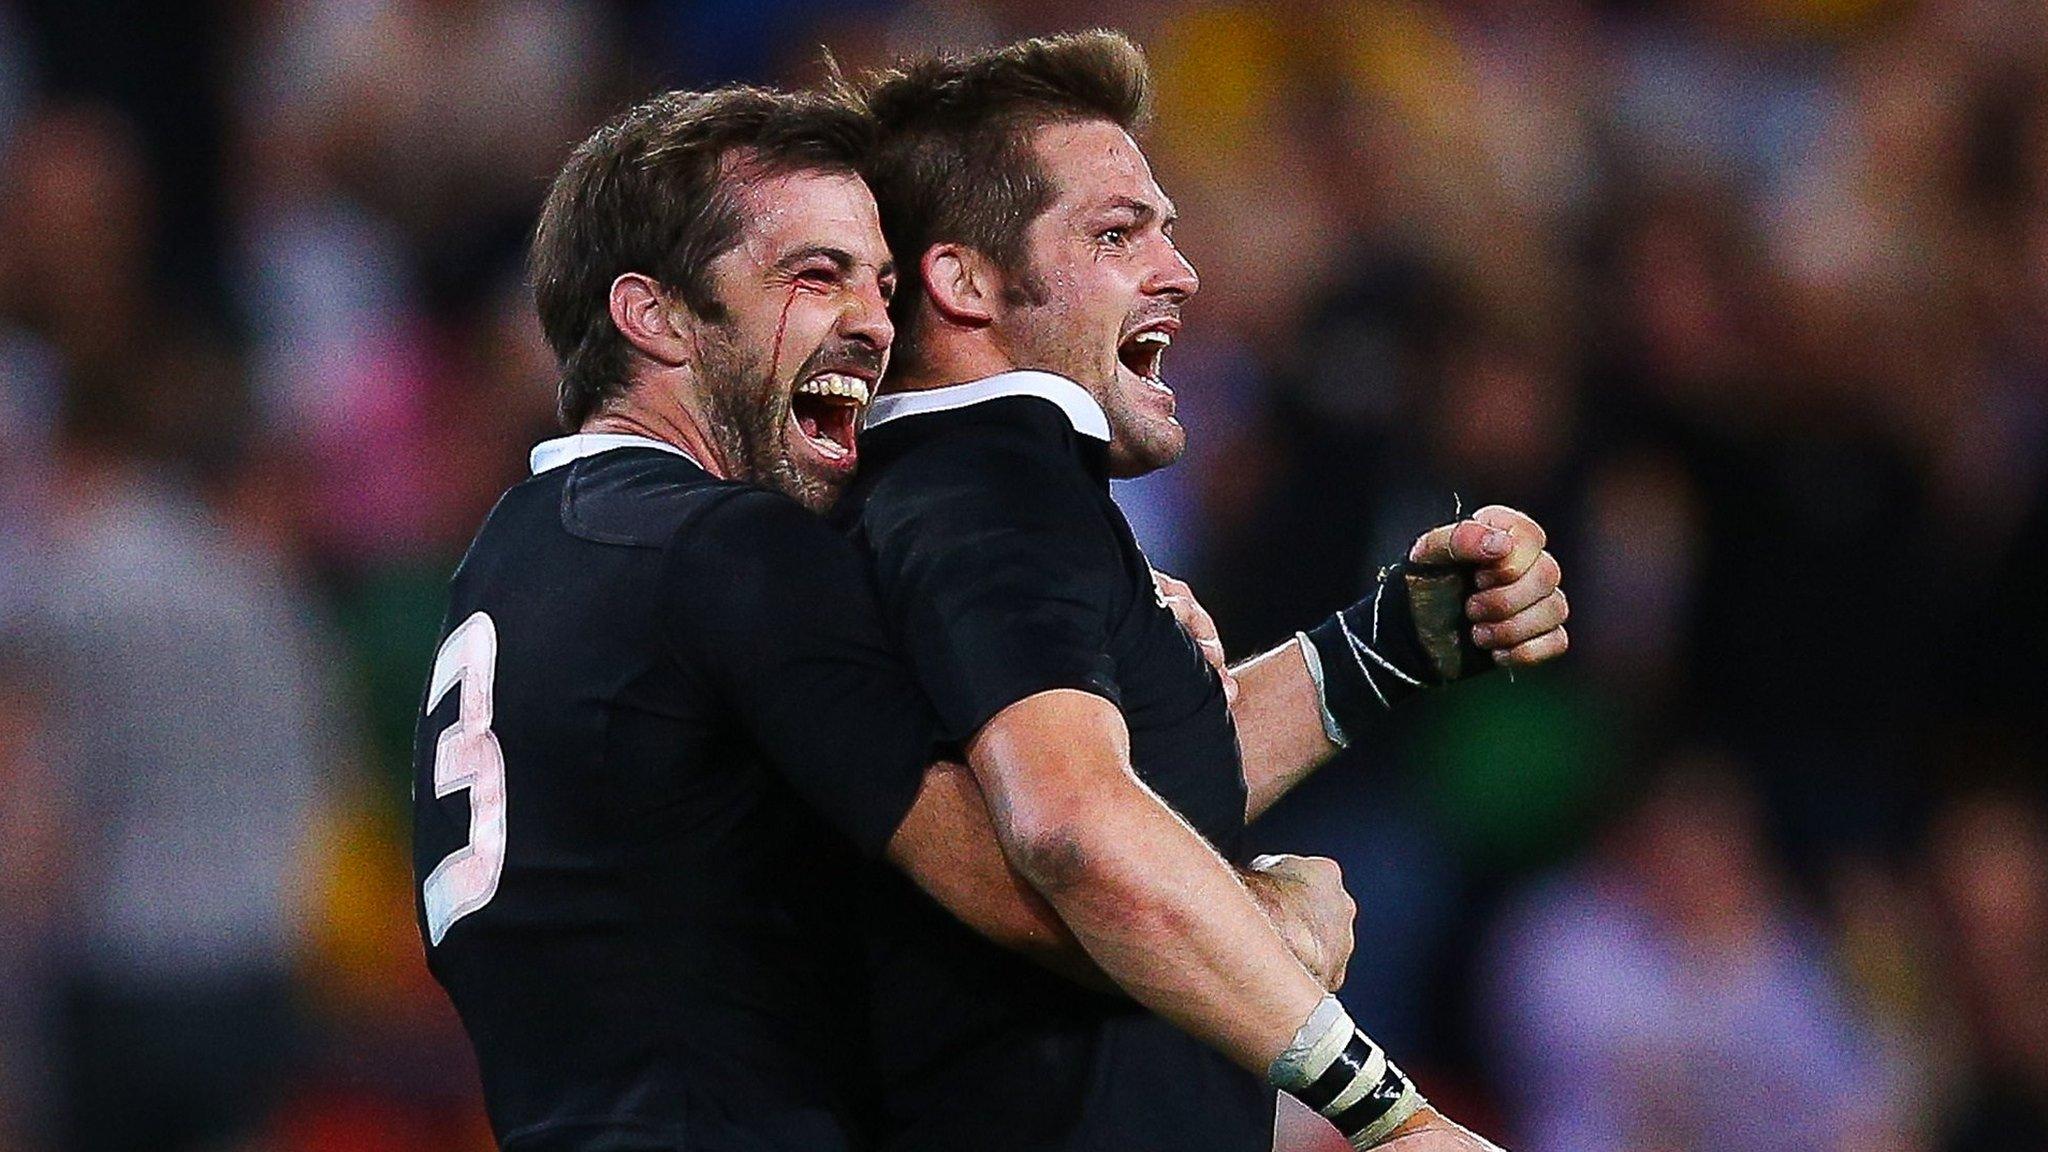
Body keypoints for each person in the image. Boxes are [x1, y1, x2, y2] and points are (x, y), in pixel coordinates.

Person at [413, 83, 1369, 1152]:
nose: (873, 323)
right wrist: (1269, 916)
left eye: (876, 282)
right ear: (655, 316)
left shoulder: (517, 553)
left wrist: (1156, 639)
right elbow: (1051, 878)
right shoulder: (732, 552)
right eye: (812, 275)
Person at [831, 30, 1567, 1151]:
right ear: (964, 281)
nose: (1176, 271)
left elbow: (1123, 786)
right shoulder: (990, 497)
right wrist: (1388, 1113)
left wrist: (1396, 640)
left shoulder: (954, 496)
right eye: (1117, 233)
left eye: (1165, 231)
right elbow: (1076, 826)